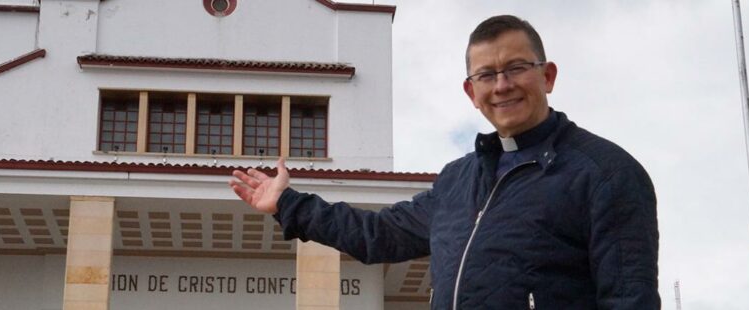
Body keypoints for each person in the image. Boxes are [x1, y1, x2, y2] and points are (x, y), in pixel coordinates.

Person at [229, 15, 660, 309]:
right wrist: (290, 204)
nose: (502, 85)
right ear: (471, 93)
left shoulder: (605, 173)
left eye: (516, 68)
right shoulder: (458, 180)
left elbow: (629, 300)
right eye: (486, 75)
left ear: (547, 76)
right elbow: (377, 235)